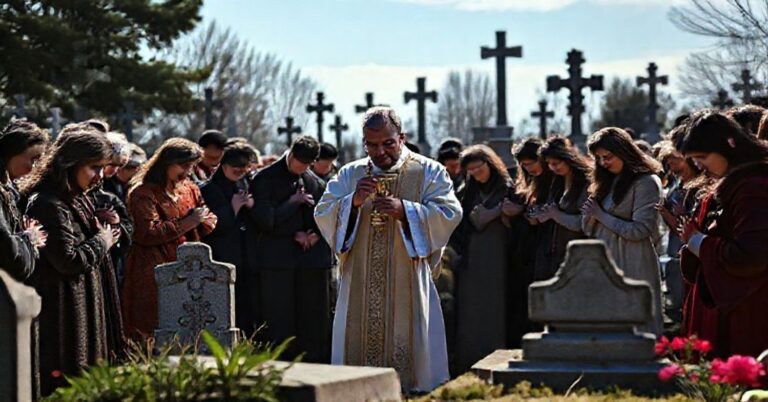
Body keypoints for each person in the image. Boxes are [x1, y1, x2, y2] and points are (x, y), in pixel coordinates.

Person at [314, 107, 462, 392]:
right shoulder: (351, 173)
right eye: (371, 145)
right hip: (360, 279)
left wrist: (407, 211)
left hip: (408, 276)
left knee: (411, 354)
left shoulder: (429, 171)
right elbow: (323, 213)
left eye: (387, 143)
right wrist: (352, 203)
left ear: (402, 138)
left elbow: (450, 213)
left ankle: (412, 390)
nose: (379, 151)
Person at [22, 128, 121, 396]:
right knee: (64, 382)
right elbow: (68, 259)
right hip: (62, 311)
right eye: (94, 167)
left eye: (103, 168)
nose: (100, 177)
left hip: (83, 304)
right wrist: (102, 240)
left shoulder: (76, 198)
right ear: (70, 163)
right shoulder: (48, 203)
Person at [676, 110, 768, 357]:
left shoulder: (752, 188)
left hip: (750, 312)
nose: (698, 165)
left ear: (728, 145)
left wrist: (700, 243)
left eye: (702, 156)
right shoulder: (736, 183)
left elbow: (751, 256)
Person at [121, 138, 217, 340]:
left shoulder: (189, 189)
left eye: (191, 166)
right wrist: (188, 222)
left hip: (187, 265)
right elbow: (146, 233)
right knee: (152, 324)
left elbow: (207, 217)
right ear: (166, 163)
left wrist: (202, 221)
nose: (187, 171)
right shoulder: (143, 193)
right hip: (152, 266)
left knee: (186, 321)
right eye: (183, 165)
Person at [251, 136, 333, 362]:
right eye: (300, 163)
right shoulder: (264, 179)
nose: (303, 168)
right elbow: (265, 221)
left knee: (312, 321)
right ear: (291, 154)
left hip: (310, 261)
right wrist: (293, 206)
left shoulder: (315, 181)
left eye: (308, 165)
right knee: (279, 319)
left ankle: (315, 364)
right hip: (279, 261)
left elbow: (324, 215)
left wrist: (315, 234)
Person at [582, 127, 664, 334]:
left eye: (608, 157)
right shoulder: (606, 182)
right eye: (599, 158)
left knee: (636, 324)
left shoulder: (646, 182)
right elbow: (588, 228)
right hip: (604, 259)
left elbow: (640, 230)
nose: (603, 163)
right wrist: (589, 214)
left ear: (623, 151)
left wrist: (601, 215)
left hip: (632, 260)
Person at [453, 145, 520, 374]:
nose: (476, 174)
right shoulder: (467, 191)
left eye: (479, 168)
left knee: (496, 310)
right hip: (473, 258)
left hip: (499, 256)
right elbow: (468, 221)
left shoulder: (506, 188)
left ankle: (496, 362)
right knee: (472, 313)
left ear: (490, 164)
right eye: (471, 170)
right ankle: (468, 364)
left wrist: (503, 213)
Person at [200, 143, 262, 337]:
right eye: (236, 166)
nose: (240, 171)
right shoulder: (210, 189)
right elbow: (210, 226)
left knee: (248, 304)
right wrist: (233, 208)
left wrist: (251, 206)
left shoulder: (244, 183)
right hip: (224, 253)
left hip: (247, 254)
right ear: (224, 165)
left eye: (245, 168)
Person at [532, 137, 591, 281]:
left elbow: (583, 223)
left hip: (578, 254)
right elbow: (552, 210)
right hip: (554, 252)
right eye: (549, 164)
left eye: (556, 163)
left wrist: (555, 214)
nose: (553, 167)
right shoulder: (557, 181)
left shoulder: (585, 183)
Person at [0, 119, 48, 281]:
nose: (34, 168)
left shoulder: (9, 190)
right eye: (33, 159)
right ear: (13, 151)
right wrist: (29, 238)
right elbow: (8, 253)